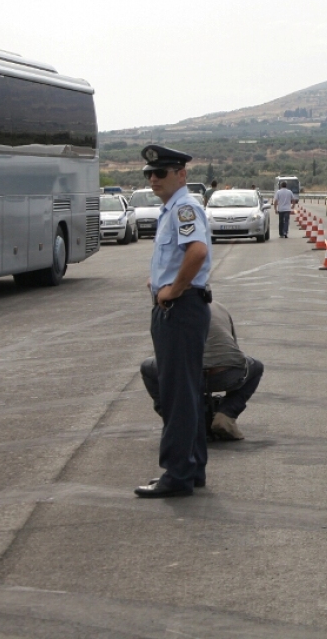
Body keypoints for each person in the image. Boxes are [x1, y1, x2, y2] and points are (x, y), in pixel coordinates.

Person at [136, 144, 212, 499]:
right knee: (188, 392)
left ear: (181, 174)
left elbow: (197, 252)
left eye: (161, 172)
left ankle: (177, 474)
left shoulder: (184, 207)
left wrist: (173, 290)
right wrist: (160, 282)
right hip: (181, 309)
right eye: (149, 174)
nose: (153, 179)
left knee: (177, 394)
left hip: (179, 310)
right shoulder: (173, 209)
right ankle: (192, 467)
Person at [140, 301, 264, 441]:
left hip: (186, 376)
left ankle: (178, 419)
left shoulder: (165, 311)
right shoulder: (219, 306)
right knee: (256, 367)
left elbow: (162, 353)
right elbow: (233, 350)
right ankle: (227, 414)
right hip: (225, 374)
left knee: (147, 368)